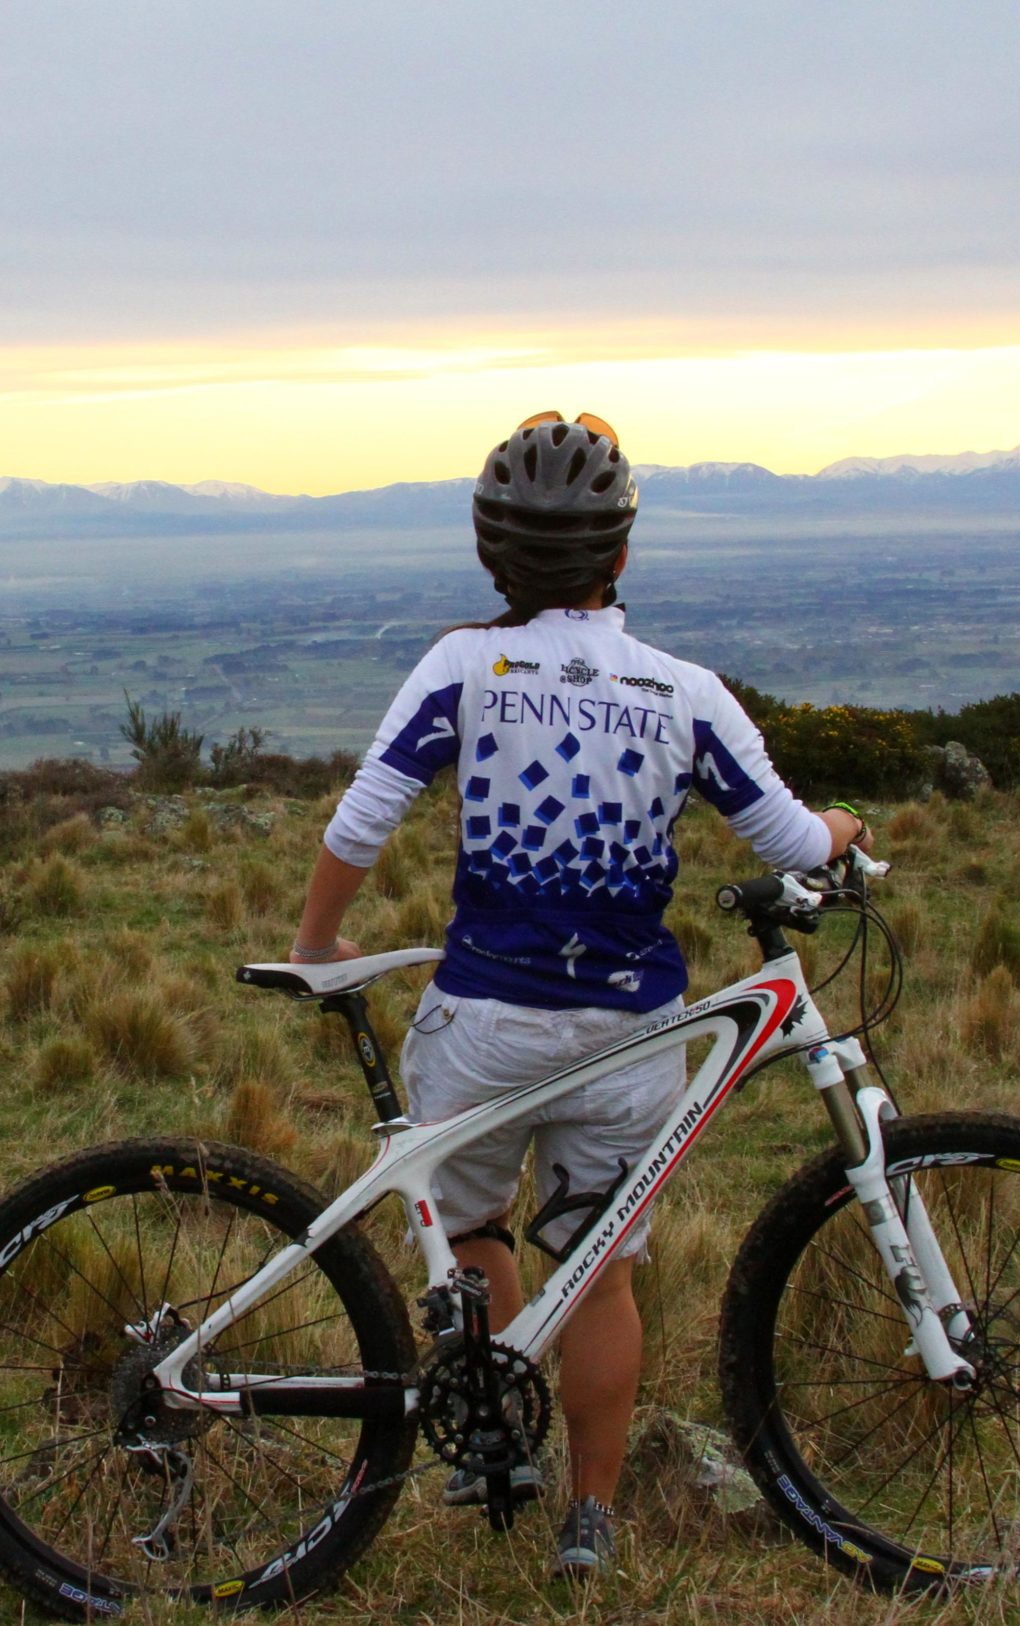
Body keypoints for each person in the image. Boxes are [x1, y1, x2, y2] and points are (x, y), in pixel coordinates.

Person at [287, 411, 867, 1580]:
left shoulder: (463, 663)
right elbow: (794, 839)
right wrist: (850, 832)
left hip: (484, 1021)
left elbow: (362, 817)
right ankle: (589, 1519)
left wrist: (317, 941)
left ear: (494, 554)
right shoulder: (683, 690)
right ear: (619, 553)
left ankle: (492, 1431)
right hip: (628, 1030)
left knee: (471, 1228)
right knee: (599, 1271)